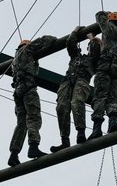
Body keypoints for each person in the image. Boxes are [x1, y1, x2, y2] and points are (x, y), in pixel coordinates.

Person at [8, 36, 55, 167]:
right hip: (28, 89)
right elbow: (46, 40)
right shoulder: (27, 50)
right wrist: (54, 40)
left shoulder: (14, 61)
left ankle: (14, 154)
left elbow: (34, 70)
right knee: (33, 117)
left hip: (18, 92)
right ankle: (33, 146)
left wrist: (36, 60)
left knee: (21, 123)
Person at [50, 27, 93, 151]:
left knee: (77, 102)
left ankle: (81, 132)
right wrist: (75, 31)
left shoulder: (94, 59)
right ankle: (65, 140)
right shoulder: (76, 56)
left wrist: (90, 37)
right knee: (61, 106)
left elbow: (97, 47)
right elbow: (70, 43)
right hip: (68, 81)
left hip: (82, 80)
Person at [88, 11, 117, 139]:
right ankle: (113, 122)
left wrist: (106, 13)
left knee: (100, 97)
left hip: (106, 67)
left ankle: (97, 128)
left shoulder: (109, 28)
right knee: (112, 99)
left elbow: (99, 15)